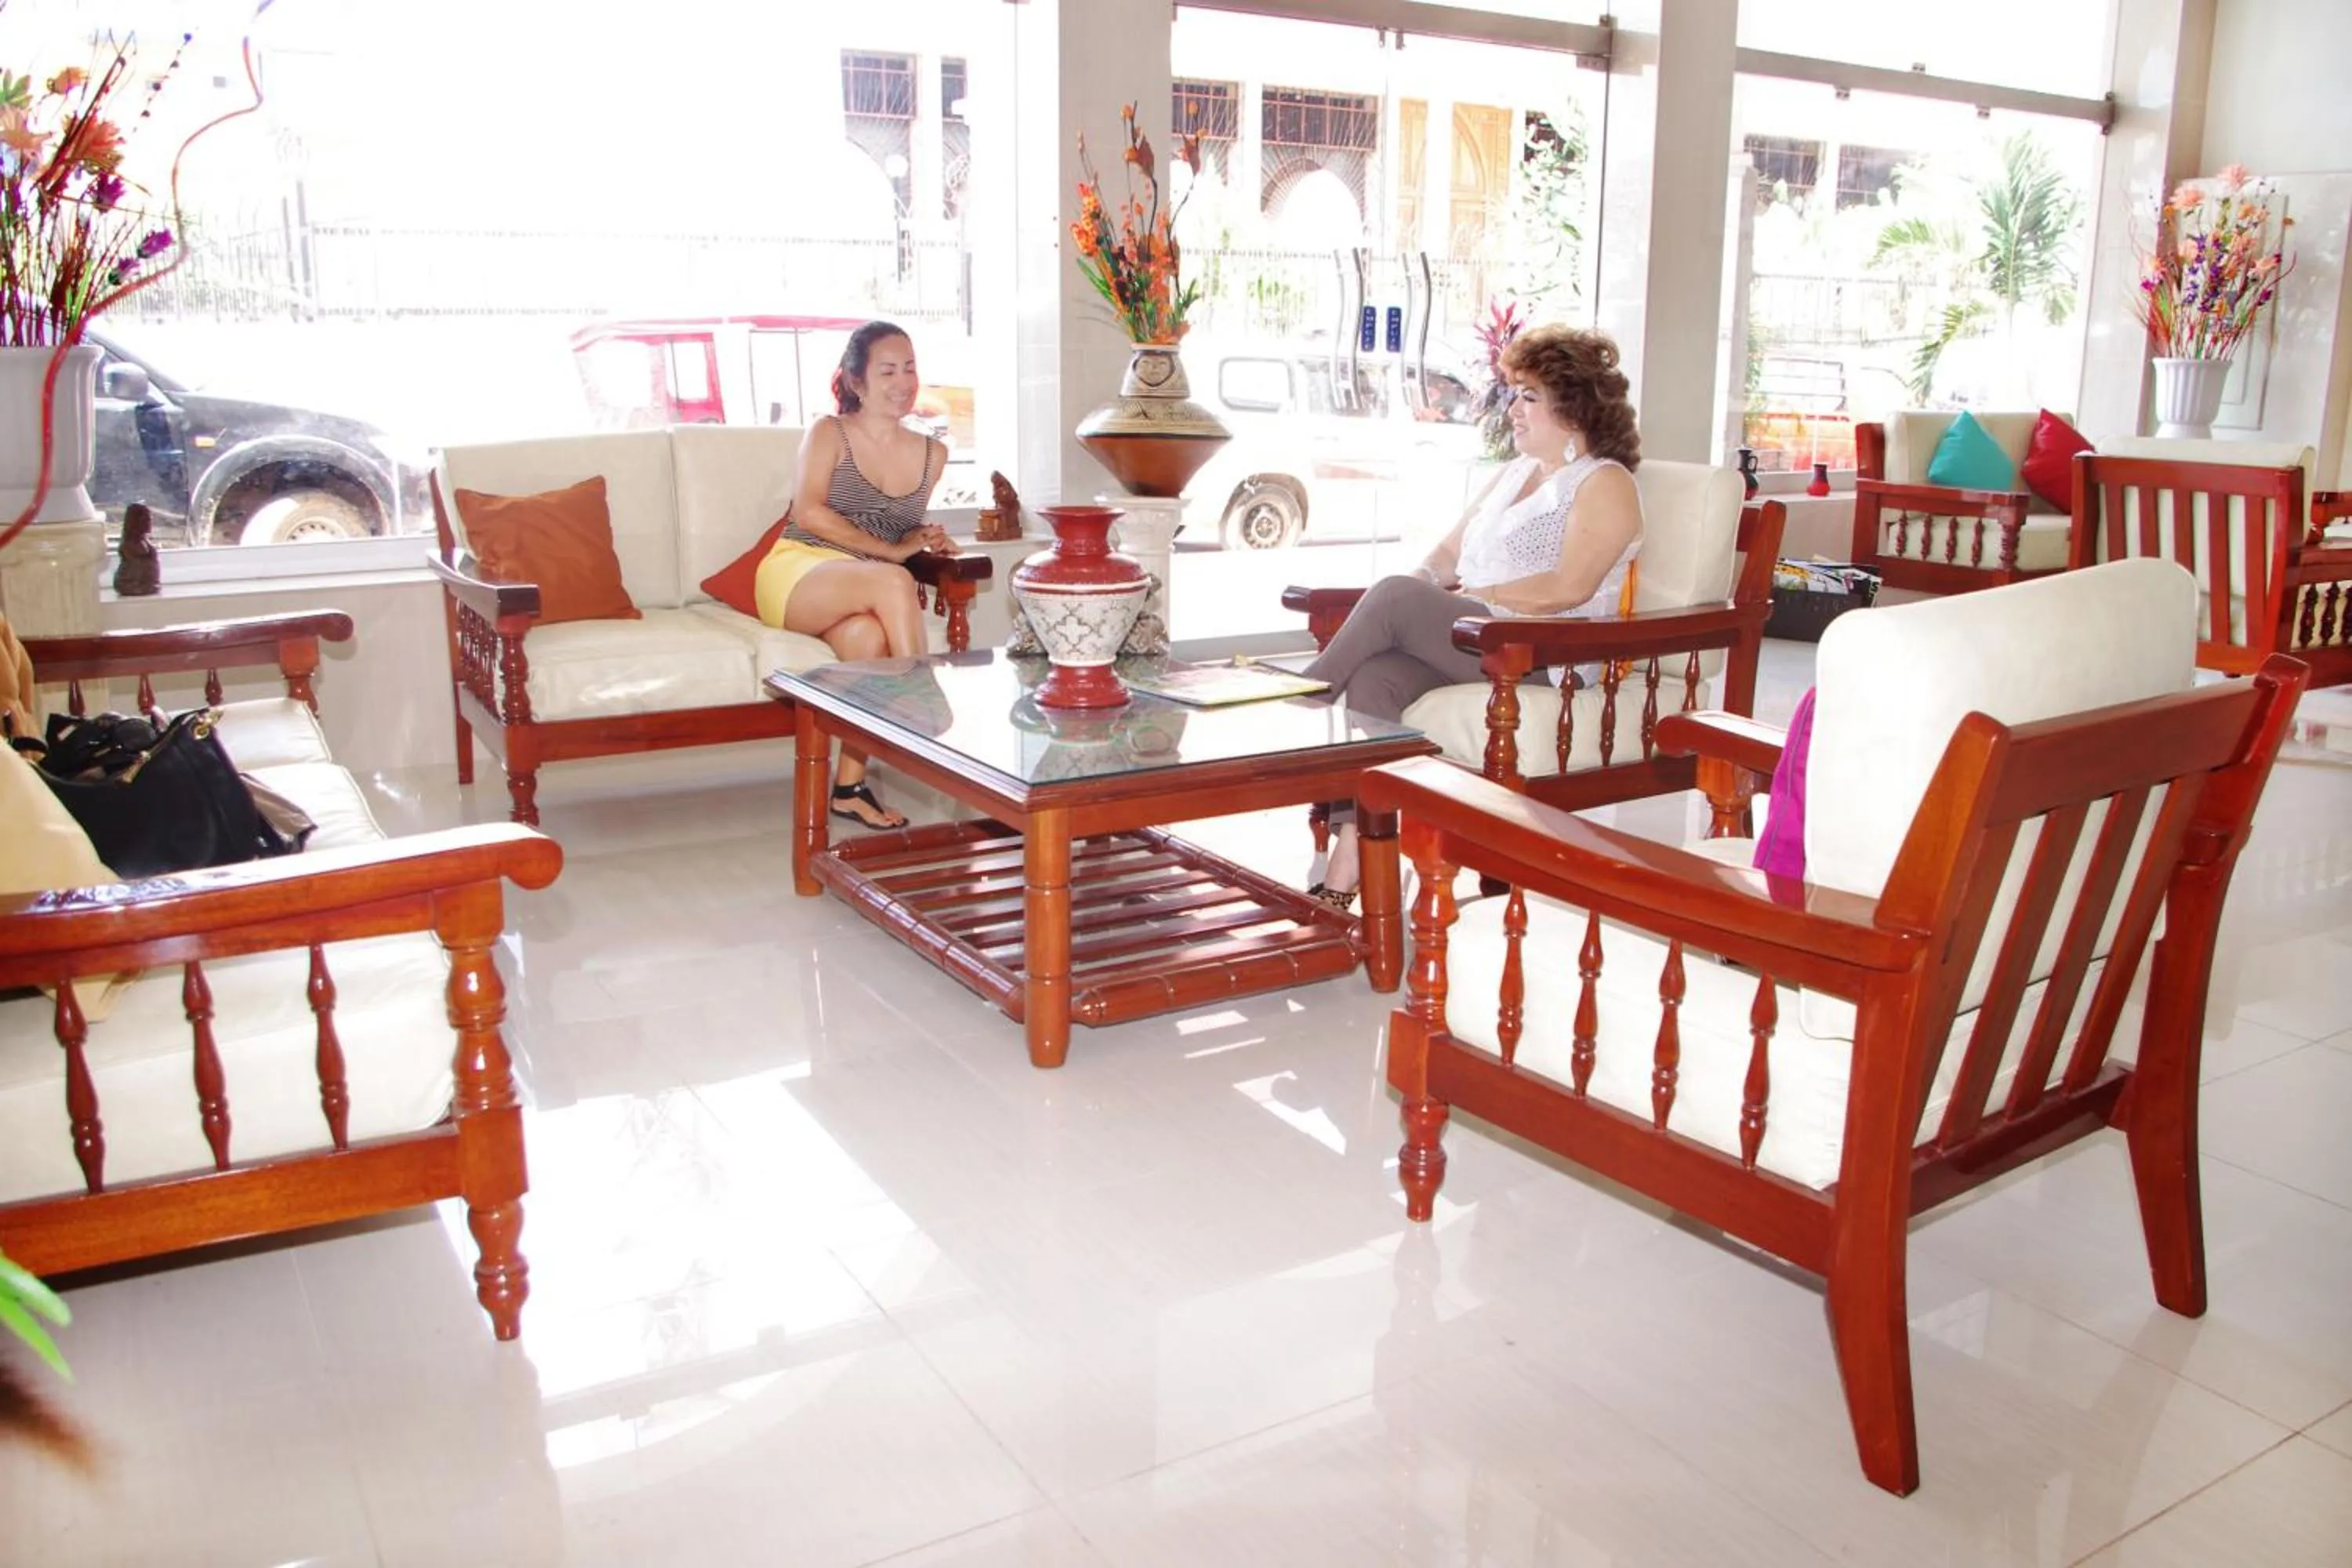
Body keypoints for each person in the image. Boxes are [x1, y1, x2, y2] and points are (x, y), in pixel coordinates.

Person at [1303, 323, 1646, 907]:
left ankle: (1297, 701)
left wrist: (1467, 599)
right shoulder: (1512, 475)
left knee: (1390, 597)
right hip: (1477, 641)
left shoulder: (1605, 482)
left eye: (1530, 395)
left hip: (1539, 657)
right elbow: (1444, 557)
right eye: (1514, 392)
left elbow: (1569, 587)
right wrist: (1426, 586)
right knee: (1375, 676)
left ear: (1576, 406)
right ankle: (1346, 877)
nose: (1513, 407)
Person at [754, 319, 956, 829]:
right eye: (887, 370)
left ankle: (849, 787)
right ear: (857, 380)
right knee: (892, 582)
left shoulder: (934, 455)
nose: (903, 382)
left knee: (868, 640)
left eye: (910, 368)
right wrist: (889, 557)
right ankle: (923, 702)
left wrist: (923, 543)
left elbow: (896, 534)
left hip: (860, 584)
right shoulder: (829, 432)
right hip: (798, 571)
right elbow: (810, 514)